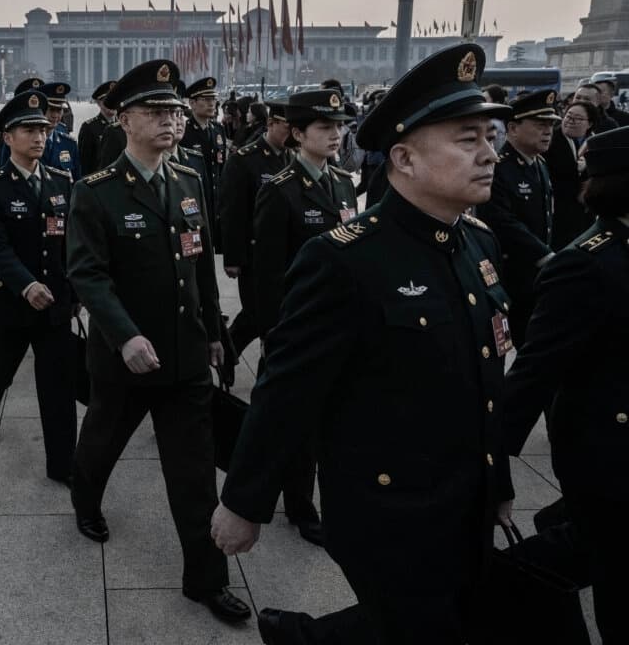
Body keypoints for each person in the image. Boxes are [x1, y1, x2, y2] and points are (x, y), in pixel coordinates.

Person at [212, 44, 515, 644]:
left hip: (466, 499)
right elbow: (288, 387)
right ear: (402, 157)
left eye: (490, 135)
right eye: (466, 139)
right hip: (390, 512)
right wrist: (244, 501)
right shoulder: (345, 260)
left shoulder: (477, 243)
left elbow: (485, 385)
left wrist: (498, 484)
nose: (488, 154)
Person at [67, 59, 250, 624]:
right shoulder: (95, 193)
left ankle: (205, 579)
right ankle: (85, 497)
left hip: (185, 356)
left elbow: (199, 271)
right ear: (124, 120)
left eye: (174, 111)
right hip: (126, 360)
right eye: (155, 111)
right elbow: (88, 275)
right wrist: (124, 337)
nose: (170, 120)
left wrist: (217, 335)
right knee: (102, 440)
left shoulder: (191, 181)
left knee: (192, 474)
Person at [501, 125, 629, 645]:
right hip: (609, 454)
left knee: (583, 547)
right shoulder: (586, 262)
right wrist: (490, 465)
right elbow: (534, 371)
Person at [249, 89, 359, 547]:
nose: (335, 134)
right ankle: (297, 505)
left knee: (326, 419)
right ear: (297, 134)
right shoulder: (280, 191)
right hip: (297, 325)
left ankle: (310, 497)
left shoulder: (345, 183)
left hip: (339, 324)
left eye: (339, 126)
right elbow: (267, 275)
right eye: (324, 127)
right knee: (293, 421)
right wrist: (276, 330)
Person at [0, 89, 77, 485]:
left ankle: (63, 463)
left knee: (58, 387)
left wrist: (75, 294)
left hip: (54, 305)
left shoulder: (61, 181)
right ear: (7, 137)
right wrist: (26, 284)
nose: (39, 137)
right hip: (10, 304)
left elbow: (71, 242)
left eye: (44, 130)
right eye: (29, 130)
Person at [476, 89, 559, 345]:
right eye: (539, 125)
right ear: (512, 128)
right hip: (510, 274)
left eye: (550, 126)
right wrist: (543, 254)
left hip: (535, 274)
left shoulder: (539, 164)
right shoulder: (500, 167)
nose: (547, 131)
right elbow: (500, 220)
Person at [219, 100, 291, 357]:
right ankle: (227, 353)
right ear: (271, 124)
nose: (293, 133)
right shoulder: (245, 160)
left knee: (268, 315)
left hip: (285, 254)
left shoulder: (292, 157)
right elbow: (232, 211)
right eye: (287, 127)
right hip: (254, 253)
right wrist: (233, 258)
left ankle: (229, 352)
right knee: (256, 314)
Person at [547, 100, 600, 249]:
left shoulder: (580, 142)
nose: (570, 121)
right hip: (558, 218)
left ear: (589, 124)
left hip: (576, 218)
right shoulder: (551, 140)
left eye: (578, 119)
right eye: (568, 116)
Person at [182, 77, 227, 239]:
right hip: (192, 200)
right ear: (192, 103)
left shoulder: (218, 130)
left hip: (214, 201)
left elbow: (222, 167)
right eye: (206, 99)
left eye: (214, 99)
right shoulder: (184, 132)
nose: (212, 104)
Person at [40, 82, 80, 179]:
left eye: (59, 110)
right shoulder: (25, 143)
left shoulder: (69, 144)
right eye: (51, 110)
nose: (55, 115)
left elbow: (77, 180)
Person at [78, 80, 117, 176]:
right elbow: (84, 163)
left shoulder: (125, 126)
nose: (111, 104)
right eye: (107, 100)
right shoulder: (89, 127)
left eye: (115, 100)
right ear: (99, 103)